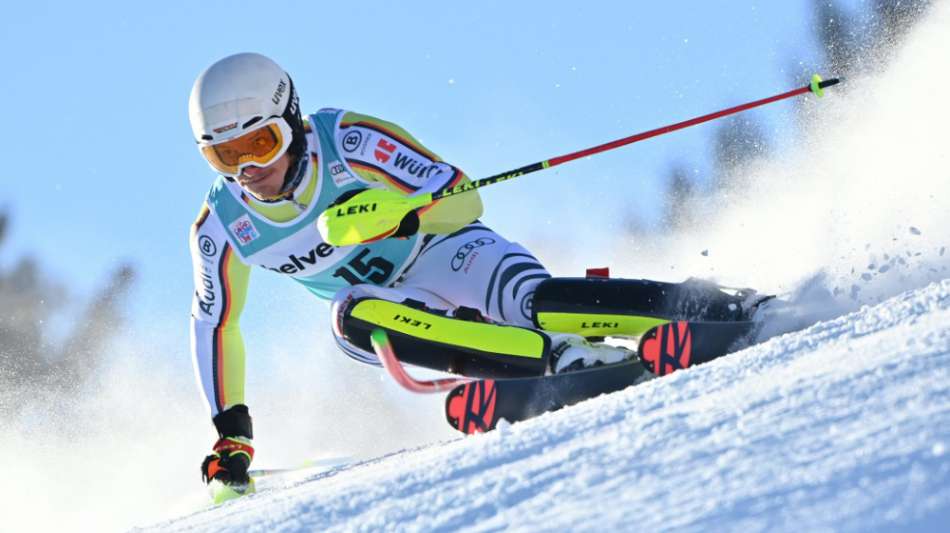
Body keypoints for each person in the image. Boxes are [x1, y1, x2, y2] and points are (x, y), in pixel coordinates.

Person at [188, 52, 761, 499]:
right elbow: (216, 323)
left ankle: (712, 307)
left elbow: (464, 197)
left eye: (261, 143)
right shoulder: (224, 225)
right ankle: (556, 362)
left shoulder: (349, 141)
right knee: (350, 320)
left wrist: (403, 215)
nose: (249, 169)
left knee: (534, 302)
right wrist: (232, 433)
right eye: (225, 156)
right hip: (394, 303)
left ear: (291, 120)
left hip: (447, 249)